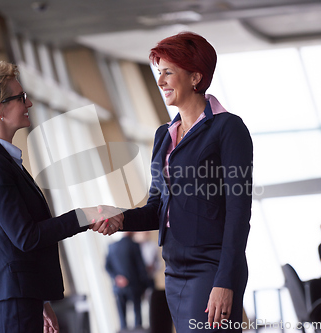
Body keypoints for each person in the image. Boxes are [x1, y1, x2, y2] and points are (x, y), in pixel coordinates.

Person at [100, 32, 253, 332]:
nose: (160, 82)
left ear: (196, 76)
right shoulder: (164, 135)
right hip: (174, 269)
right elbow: (157, 207)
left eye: (168, 72)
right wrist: (120, 218)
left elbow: (239, 212)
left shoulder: (227, 128)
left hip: (212, 267)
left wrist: (225, 280)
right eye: (159, 73)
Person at [0, 61, 121, 333]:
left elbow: (13, 242)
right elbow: (26, 236)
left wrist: (41, 301)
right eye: (21, 98)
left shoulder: (2, 160)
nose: (30, 103)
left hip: (18, 297)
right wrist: (85, 215)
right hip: (8, 303)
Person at [105, 232, 151, 330]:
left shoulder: (112, 246)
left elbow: (107, 267)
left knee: (122, 319)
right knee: (137, 317)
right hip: (134, 286)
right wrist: (146, 284)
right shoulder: (134, 245)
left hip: (119, 287)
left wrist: (117, 278)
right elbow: (140, 267)